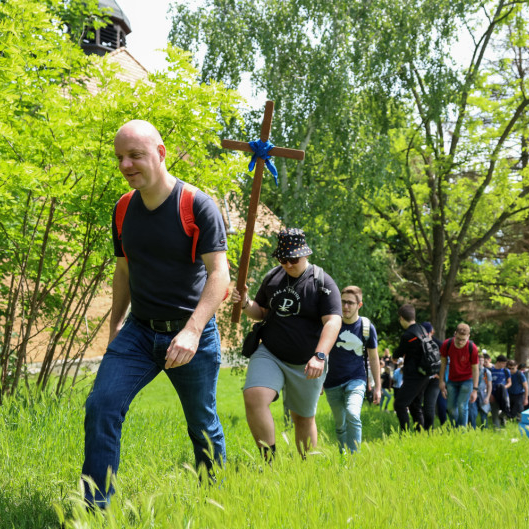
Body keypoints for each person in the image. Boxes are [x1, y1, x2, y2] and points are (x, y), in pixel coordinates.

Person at [82, 120, 231, 508]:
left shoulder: (196, 205)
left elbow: (220, 275)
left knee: (202, 423)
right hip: (139, 331)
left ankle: (215, 502)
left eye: (135, 155)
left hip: (192, 332)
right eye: (119, 157)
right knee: (101, 406)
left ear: (161, 153)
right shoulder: (123, 208)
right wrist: (116, 326)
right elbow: (123, 270)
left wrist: (193, 331)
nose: (125, 165)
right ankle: (95, 512)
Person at [233, 228, 341, 460]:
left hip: (307, 361)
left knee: (302, 417)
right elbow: (261, 312)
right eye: (283, 259)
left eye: (293, 259)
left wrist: (320, 356)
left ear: (305, 254)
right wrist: (245, 303)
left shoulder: (322, 282)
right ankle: (269, 462)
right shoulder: (272, 277)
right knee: (254, 396)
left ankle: (306, 467)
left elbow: (333, 321)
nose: (288, 264)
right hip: (270, 353)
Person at [323, 285, 382, 453]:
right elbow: (322, 352)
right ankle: (344, 457)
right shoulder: (332, 323)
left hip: (356, 378)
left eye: (350, 303)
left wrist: (378, 387)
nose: (345, 306)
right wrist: (318, 381)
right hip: (331, 381)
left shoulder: (366, 327)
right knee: (340, 424)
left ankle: (354, 459)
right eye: (342, 302)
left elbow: (373, 358)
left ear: (359, 305)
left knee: (353, 414)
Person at [392, 305, 439, 432]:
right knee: (415, 405)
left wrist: (394, 357)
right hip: (425, 374)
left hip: (414, 376)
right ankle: (420, 433)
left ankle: (405, 434)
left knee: (400, 404)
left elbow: (399, 352)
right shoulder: (422, 329)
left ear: (402, 318)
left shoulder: (408, 335)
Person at [438, 323, 479, 427]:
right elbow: (443, 364)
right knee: (450, 408)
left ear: (468, 337)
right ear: (455, 334)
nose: (460, 342)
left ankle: (462, 431)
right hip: (452, 380)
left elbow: (475, 369)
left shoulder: (472, 348)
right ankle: (455, 428)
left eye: (463, 340)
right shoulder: (447, 344)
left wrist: (475, 389)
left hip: (467, 380)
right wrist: (441, 381)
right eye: (458, 339)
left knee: (462, 406)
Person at [421, 321, 447, 427]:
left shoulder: (440, 345)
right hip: (421, 379)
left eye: (427, 333)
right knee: (419, 405)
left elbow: (446, 362)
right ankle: (421, 429)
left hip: (435, 380)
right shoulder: (419, 343)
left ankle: (429, 430)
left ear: (432, 332)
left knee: (430, 406)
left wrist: (440, 376)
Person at [469, 352, 493, 429]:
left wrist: (487, 397)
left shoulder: (486, 372)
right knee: (473, 413)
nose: (480, 362)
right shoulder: (471, 371)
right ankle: (472, 429)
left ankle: (485, 429)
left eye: (482, 360)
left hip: (483, 394)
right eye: (479, 360)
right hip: (473, 393)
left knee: (484, 413)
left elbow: (489, 385)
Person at [489, 355, 511, 428]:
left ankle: (502, 418)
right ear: (498, 362)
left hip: (504, 395)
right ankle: (497, 430)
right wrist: (490, 395)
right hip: (493, 395)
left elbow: (509, 383)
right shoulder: (490, 371)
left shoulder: (506, 371)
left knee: (506, 410)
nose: (504, 365)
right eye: (503, 363)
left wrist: (503, 388)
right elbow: (487, 384)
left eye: (505, 363)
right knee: (495, 414)